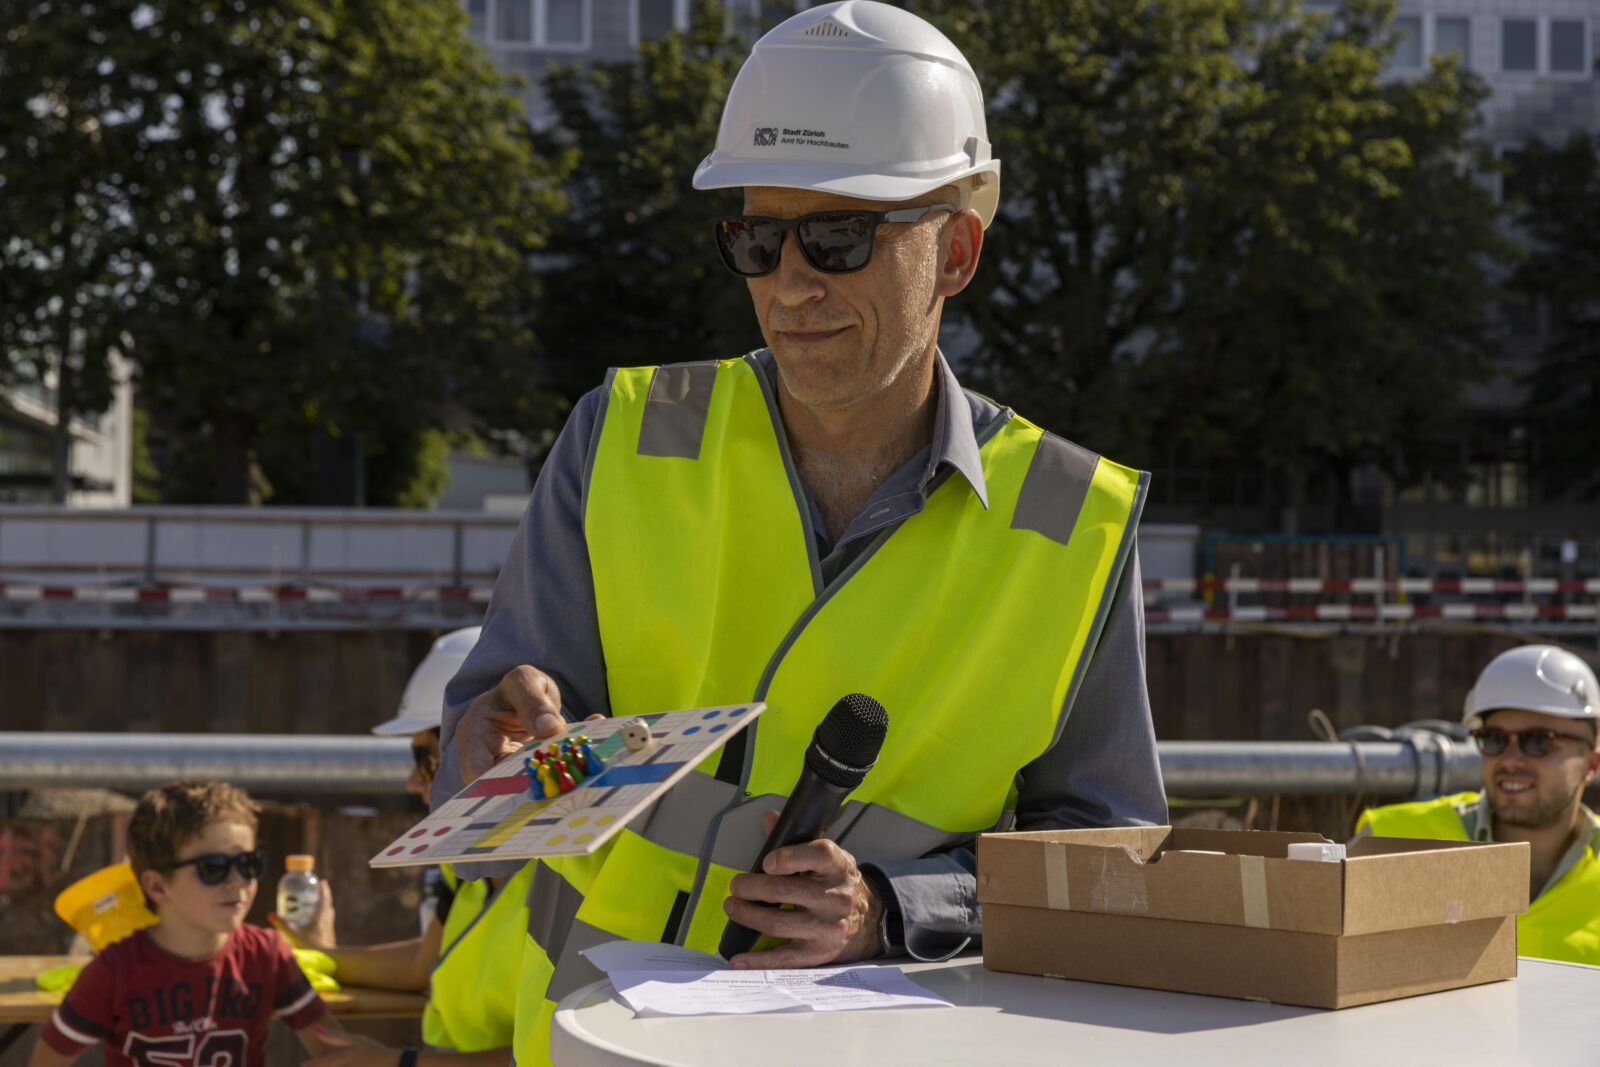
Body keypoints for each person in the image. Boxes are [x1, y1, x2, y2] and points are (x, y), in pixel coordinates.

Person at [434, 3, 1165, 1061]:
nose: (788, 283)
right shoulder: (626, 435)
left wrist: (892, 905)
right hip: (602, 1038)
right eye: (757, 237)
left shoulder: (1070, 516)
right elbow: (486, 779)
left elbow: (1109, 852)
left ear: (955, 251)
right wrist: (491, 755)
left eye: (836, 236)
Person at [271, 628, 525, 1067]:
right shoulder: (465, 865)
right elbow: (422, 964)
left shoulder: (564, 878)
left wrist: (395, 1063)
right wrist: (317, 955)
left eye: (424, 760)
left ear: (494, 747)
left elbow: (553, 1055)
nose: (412, 781)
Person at [28, 780, 338, 1067]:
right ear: (158, 887)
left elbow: (340, 1053)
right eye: (214, 868)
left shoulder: (268, 956)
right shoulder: (113, 971)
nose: (237, 881)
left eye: (248, 863)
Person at [1356, 644, 1600, 965]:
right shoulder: (1390, 838)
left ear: (1591, 764)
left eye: (1539, 740)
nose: (1510, 760)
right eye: (1495, 738)